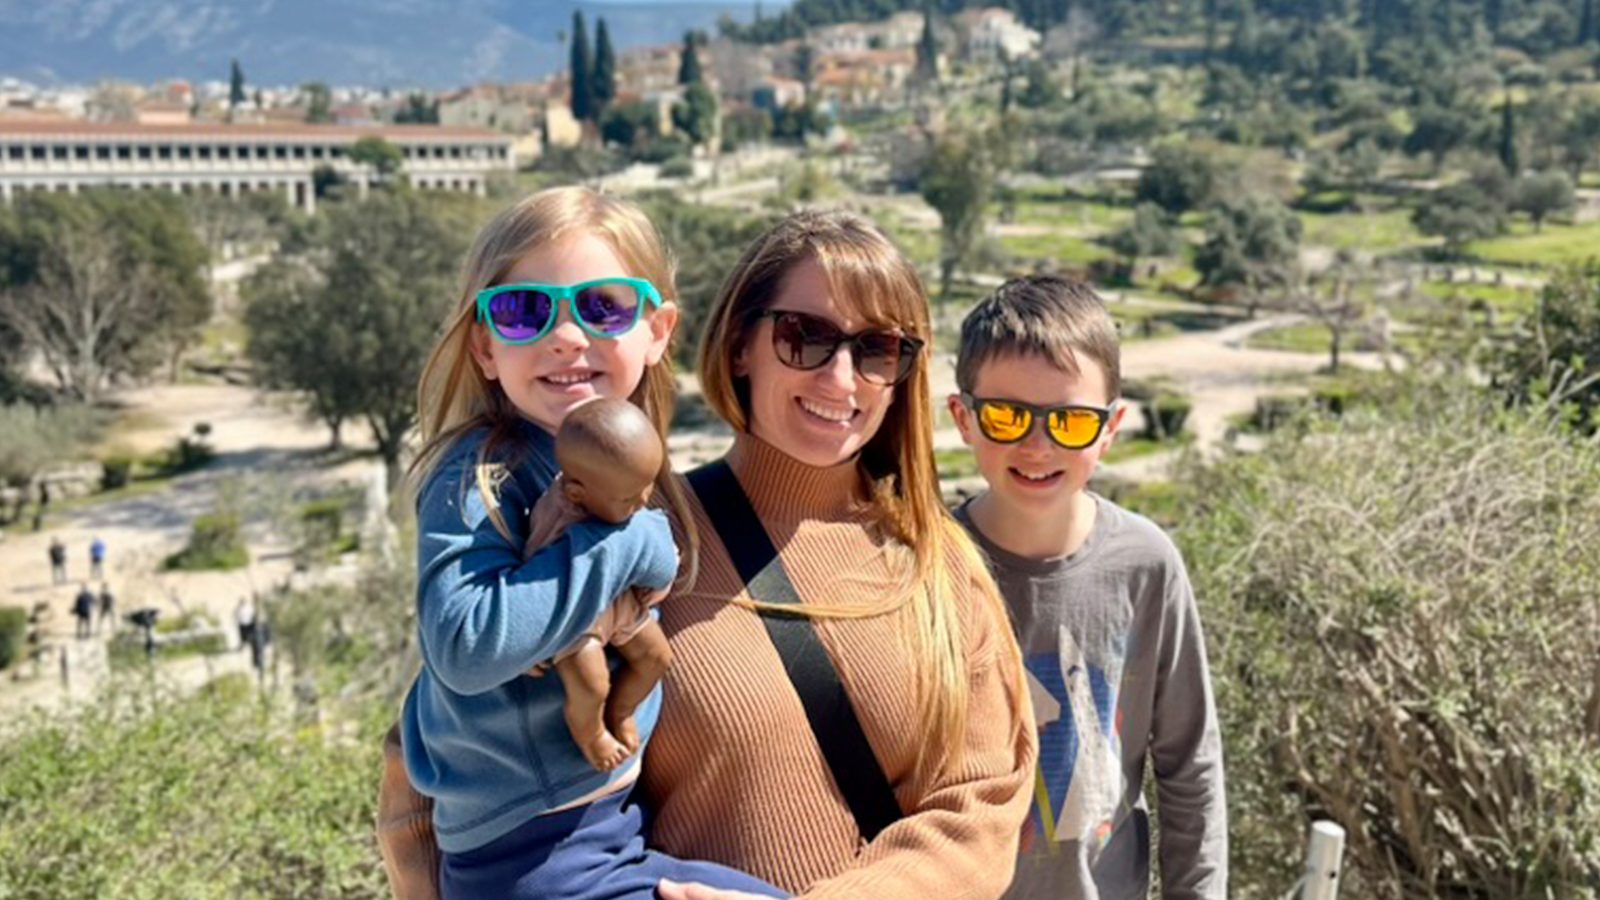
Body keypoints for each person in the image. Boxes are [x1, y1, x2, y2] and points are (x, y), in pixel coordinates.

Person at [378, 208, 1039, 900]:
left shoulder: (938, 568)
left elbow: (981, 808)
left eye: (877, 350)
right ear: (737, 348)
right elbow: (431, 769)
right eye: (803, 337)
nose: (841, 379)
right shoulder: (624, 541)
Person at [385, 186, 784, 900]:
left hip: (608, 834)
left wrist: (640, 536)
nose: (566, 335)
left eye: (603, 307)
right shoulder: (477, 473)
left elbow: (661, 566)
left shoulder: (618, 459)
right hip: (526, 858)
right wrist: (626, 540)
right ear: (484, 344)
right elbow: (466, 648)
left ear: (658, 331)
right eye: (524, 310)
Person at [945, 276, 1227, 899]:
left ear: (1112, 425)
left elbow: (1189, 764)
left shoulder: (1147, 565)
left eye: (1070, 422)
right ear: (963, 418)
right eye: (1006, 416)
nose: (1037, 444)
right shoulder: (933, 564)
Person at [524, 397, 675, 772]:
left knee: (658, 658)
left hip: (620, 602)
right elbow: (531, 579)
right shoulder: (554, 517)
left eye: (647, 488)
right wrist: (530, 642)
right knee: (591, 685)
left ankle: (622, 711)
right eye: (629, 497)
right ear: (578, 493)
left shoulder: (616, 492)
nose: (642, 501)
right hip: (578, 618)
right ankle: (591, 735)